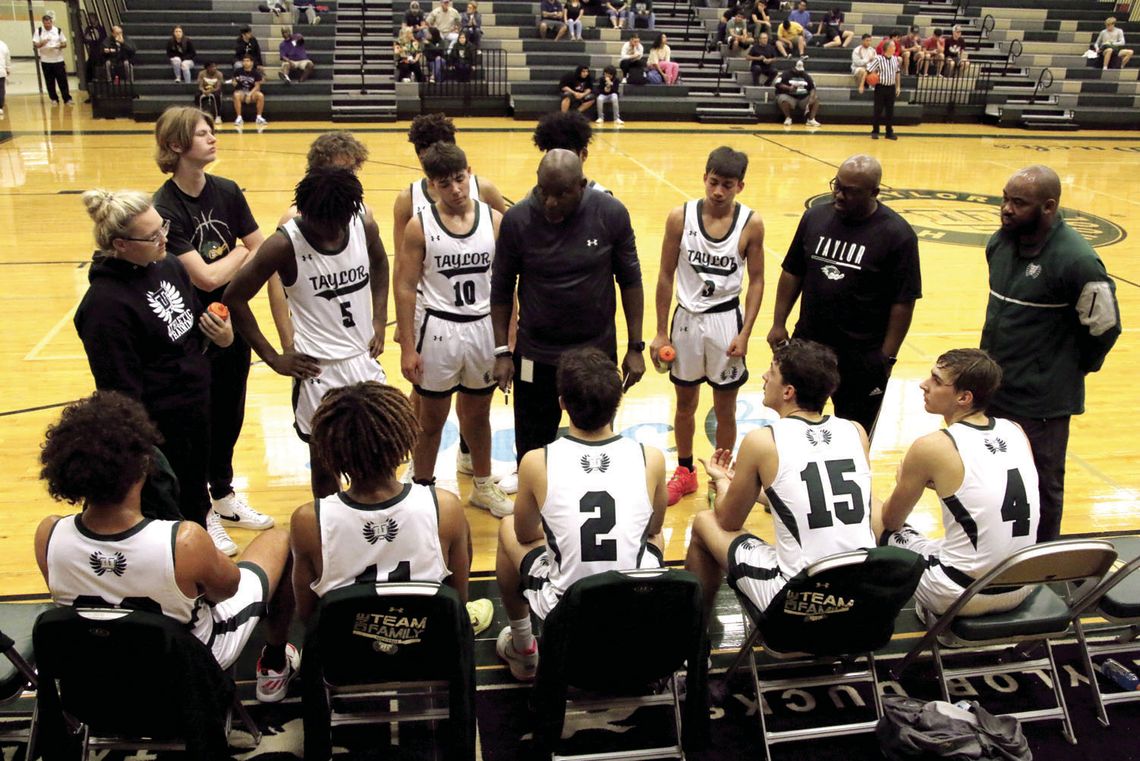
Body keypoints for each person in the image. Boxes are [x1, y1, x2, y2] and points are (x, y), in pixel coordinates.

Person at [35, 392, 300, 704]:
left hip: (97, 674)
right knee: (279, 540)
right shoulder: (183, 540)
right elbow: (228, 590)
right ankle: (274, 663)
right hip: (187, 669)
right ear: (145, 465)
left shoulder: (48, 534)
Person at [494, 348, 667, 680]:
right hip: (635, 600)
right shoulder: (652, 457)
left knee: (506, 529)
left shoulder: (536, 461)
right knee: (654, 534)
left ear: (561, 402)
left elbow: (525, 534)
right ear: (618, 403)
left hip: (568, 610)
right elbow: (654, 528)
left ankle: (523, 647)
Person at [74, 190, 233, 539]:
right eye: (152, 236)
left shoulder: (170, 265)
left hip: (194, 412)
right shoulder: (105, 308)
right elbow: (121, 395)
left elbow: (192, 335)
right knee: (167, 515)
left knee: (195, 493)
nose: (164, 238)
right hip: (159, 433)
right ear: (121, 244)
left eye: (163, 227)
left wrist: (221, 338)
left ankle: (203, 520)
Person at [224, 168, 389, 499]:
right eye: (322, 221)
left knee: (376, 454)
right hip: (318, 370)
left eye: (336, 222)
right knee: (325, 464)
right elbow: (234, 298)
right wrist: (273, 358)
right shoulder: (283, 244)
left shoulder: (361, 224)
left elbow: (381, 265)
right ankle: (328, 532)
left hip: (362, 360)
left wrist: (380, 320)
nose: (330, 229)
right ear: (306, 211)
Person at [153, 106, 274, 553]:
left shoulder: (226, 190)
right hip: (191, 329)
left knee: (231, 411)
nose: (213, 138)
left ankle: (222, 494)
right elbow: (202, 279)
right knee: (197, 423)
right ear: (176, 145)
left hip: (233, 319)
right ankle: (200, 511)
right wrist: (241, 255)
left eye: (212, 131)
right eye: (203, 133)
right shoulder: (165, 206)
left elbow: (260, 246)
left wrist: (238, 256)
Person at [685, 339, 875, 619]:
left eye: (771, 372)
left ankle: (694, 637)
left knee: (704, 523)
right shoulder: (855, 430)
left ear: (788, 391)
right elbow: (809, 496)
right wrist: (741, 483)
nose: (764, 377)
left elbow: (728, 521)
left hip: (802, 600)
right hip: (861, 597)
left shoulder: (764, 440)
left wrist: (724, 483)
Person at [980, 165, 1120, 542]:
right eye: (1005, 199)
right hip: (995, 392)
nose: (1006, 208)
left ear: (1049, 207)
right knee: (992, 480)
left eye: (1019, 202)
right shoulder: (1000, 243)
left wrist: (1068, 369)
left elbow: (1105, 327)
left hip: (1043, 402)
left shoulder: (1077, 261)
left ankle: (1042, 566)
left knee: (1042, 486)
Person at [290, 381, 493, 633]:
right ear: (403, 442)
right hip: (429, 653)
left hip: (345, 661)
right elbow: (457, 603)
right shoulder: (445, 507)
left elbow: (308, 616)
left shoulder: (308, 521)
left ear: (329, 453)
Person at [490, 150, 646, 463]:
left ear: (582, 185)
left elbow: (630, 281)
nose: (550, 202)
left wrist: (635, 346)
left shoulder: (611, 214)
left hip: (596, 357)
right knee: (532, 453)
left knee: (597, 448)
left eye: (561, 194)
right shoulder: (517, 221)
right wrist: (501, 353)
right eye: (543, 192)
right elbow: (501, 289)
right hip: (536, 355)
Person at [394, 143, 512, 517]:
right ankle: (424, 491)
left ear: (470, 173)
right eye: (446, 184)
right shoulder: (420, 225)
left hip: (482, 329)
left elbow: (508, 284)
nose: (456, 189)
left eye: (460, 179)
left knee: (478, 417)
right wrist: (408, 347)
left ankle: (482, 485)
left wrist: (509, 337)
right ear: (432, 186)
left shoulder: (494, 220)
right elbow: (405, 287)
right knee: (431, 420)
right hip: (439, 330)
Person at [877, 349, 1040, 618]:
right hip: (1022, 584)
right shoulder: (1015, 430)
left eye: (936, 380)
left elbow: (892, 521)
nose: (923, 384)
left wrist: (900, 484)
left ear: (964, 398)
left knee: (872, 511)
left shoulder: (932, 446)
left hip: (959, 593)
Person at [768, 155, 921, 435]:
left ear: (875, 192)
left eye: (849, 190)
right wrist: (779, 322)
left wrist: (886, 357)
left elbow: (903, 302)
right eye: (836, 186)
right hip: (809, 349)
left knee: (854, 435)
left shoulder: (898, 235)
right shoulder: (814, 217)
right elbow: (792, 272)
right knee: (796, 427)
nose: (839, 194)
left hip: (861, 357)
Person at [652, 147, 765, 506]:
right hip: (686, 321)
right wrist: (659, 331)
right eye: (714, 182)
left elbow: (759, 280)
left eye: (727, 185)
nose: (718, 191)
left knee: (725, 407)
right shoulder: (679, 217)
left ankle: (722, 475)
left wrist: (745, 333)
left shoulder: (751, 223)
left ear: (740, 187)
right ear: (704, 178)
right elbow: (665, 275)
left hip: (725, 321)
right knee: (684, 402)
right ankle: (684, 472)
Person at [532, 110, 612, 194]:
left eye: (567, 156)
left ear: (583, 154)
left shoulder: (603, 199)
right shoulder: (535, 198)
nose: (560, 163)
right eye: (554, 156)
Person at [33, 12, 73, 105]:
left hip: (58, 60)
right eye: (45, 23)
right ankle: (54, 98)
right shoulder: (38, 31)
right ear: (43, 23)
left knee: (62, 80)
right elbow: (35, 44)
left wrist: (59, 46)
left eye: (49, 23)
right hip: (46, 60)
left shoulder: (58, 30)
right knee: (49, 81)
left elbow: (65, 43)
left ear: (52, 22)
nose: (47, 25)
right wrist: (42, 43)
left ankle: (67, 98)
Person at [868, 39, 901, 140]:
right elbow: (869, 70)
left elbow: (897, 73)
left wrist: (898, 86)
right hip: (881, 87)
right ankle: (875, 131)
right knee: (878, 110)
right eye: (893, 46)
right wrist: (872, 79)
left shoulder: (895, 59)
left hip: (891, 87)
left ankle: (889, 132)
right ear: (888, 48)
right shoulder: (878, 59)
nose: (895, 48)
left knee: (890, 111)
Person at [773, 58, 820, 127]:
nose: (799, 72)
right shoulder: (785, 74)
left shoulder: (806, 76)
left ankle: (811, 119)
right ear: (793, 68)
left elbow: (813, 87)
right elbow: (777, 84)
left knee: (816, 99)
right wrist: (788, 88)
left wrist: (811, 97)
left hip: (803, 97)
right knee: (783, 99)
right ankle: (788, 118)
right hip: (789, 96)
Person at [232, 54, 267, 126]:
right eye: (244, 61)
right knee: (236, 95)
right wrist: (234, 82)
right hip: (241, 92)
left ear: (252, 62)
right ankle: (239, 118)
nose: (245, 62)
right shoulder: (238, 71)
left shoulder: (256, 73)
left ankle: (259, 117)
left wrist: (249, 94)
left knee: (260, 95)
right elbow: (234, 81)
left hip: (252, 93)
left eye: (247, 61)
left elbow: (257, 86)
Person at [81, 14, 106, 95]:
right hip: (92, 54)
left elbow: (102, 40)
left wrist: (91, 39)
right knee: (89, 73)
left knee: (100, 74)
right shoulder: (88, 29)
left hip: (100, 54)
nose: (90, 20)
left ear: (96, 19)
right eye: (89, 18)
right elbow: (85, 39)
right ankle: (91, 94)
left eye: (91, 18)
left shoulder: (101, 28)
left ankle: (101, 92)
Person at [0, 36, 9, 117]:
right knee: (1, 89)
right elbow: (7, 59)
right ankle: (0, 107)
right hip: (1, 71)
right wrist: (8, 68)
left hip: (1, 71)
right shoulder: (3, 45)